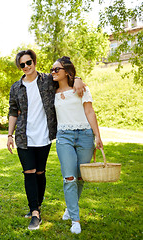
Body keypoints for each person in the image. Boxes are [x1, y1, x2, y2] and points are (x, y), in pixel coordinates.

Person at [7, 49, 85, 230]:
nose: (26, 66)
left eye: (28, 63)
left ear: (34, 62)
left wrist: (78, 78)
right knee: (29, 172)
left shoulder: (48, 80)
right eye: (22, 64)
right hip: (23, 137)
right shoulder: (15, 87)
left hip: (44, 136)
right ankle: (34, 212)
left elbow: (68, 80)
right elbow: (12, 112)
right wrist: (10, 135)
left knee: (40, 173)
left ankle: (38, 206)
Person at [51, 56, 103, 234]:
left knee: (80, 178)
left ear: (66, 71)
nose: (53, 72)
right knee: (69, 178)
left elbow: (89, 111)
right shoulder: (51, 90)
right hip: (64, 136)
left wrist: (98, 136)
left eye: (56, 69)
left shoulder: (81, 88)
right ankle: (75, 219)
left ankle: (70, 208)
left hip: (85, 136)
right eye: (52, 70)